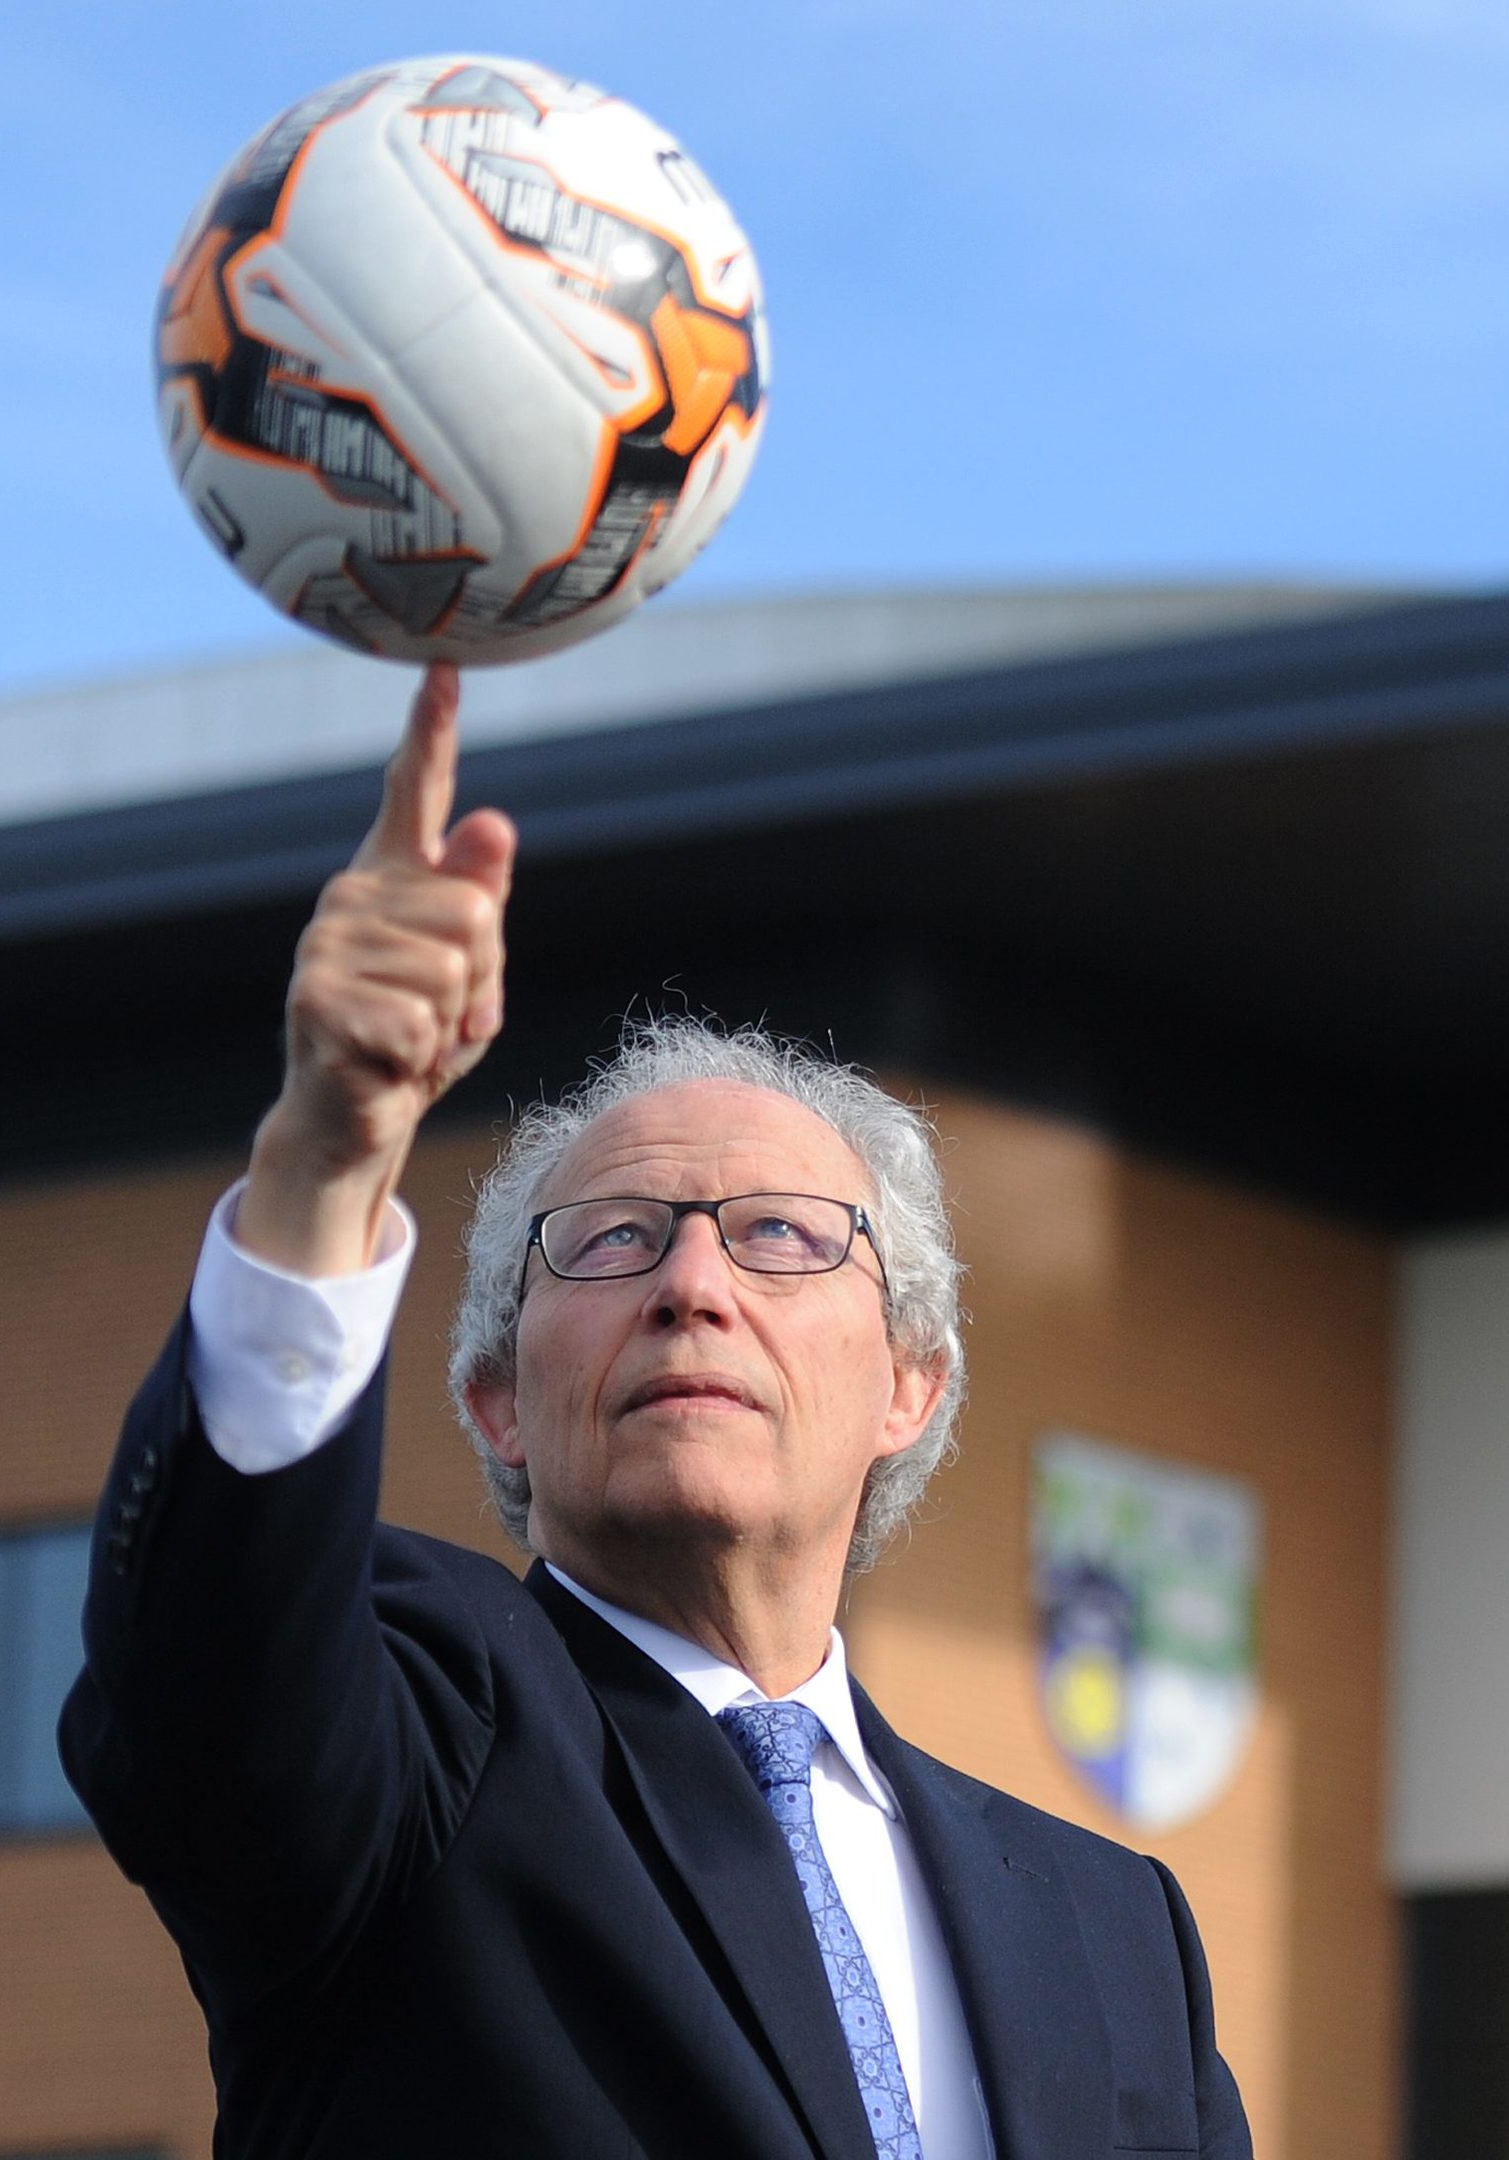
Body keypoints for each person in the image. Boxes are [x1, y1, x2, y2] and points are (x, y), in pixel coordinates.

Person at [61, 667, 1250, 2160]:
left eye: (783, 1237)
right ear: (497, 1402)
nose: (693, 1282)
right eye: (614, 1240)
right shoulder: (424, 1735)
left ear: (907, 1382)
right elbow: (208, 1689)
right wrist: (325, 1153)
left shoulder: (1111, 1925)